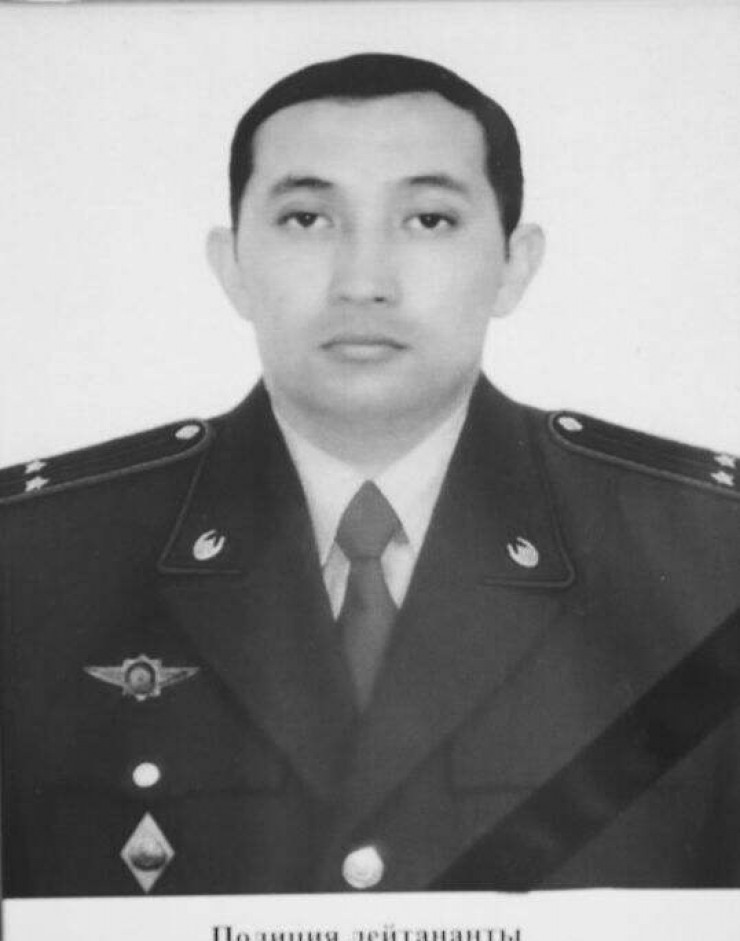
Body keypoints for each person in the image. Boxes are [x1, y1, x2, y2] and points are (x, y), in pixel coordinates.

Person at [1, 53, 739, 897]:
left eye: (428, 219)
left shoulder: (709, 556)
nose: (362, 282)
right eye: (307, 218)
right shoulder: (35, 560)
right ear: (232, 264)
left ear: (514, 263)